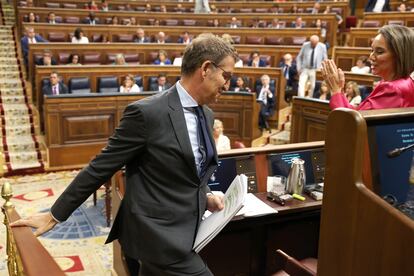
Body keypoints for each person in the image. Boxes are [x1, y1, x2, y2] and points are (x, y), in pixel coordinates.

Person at [11, 33, 236, 276]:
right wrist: (54, 215)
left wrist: (207, 195)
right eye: (227, 75)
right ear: (205, 69)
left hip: (190, 230)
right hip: (159, 236)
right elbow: (101, 166)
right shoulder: (148, 113)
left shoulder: (207, 115)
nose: (228, 85)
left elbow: (192, 172)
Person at [322, 25, 414, 110]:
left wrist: (335, 90)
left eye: (379, 52)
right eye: (372, 50)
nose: (371, 57)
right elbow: (357, 112)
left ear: (400, 56)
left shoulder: (393, 89)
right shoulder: (404, 82)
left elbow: (350, 123)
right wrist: (339, 90)